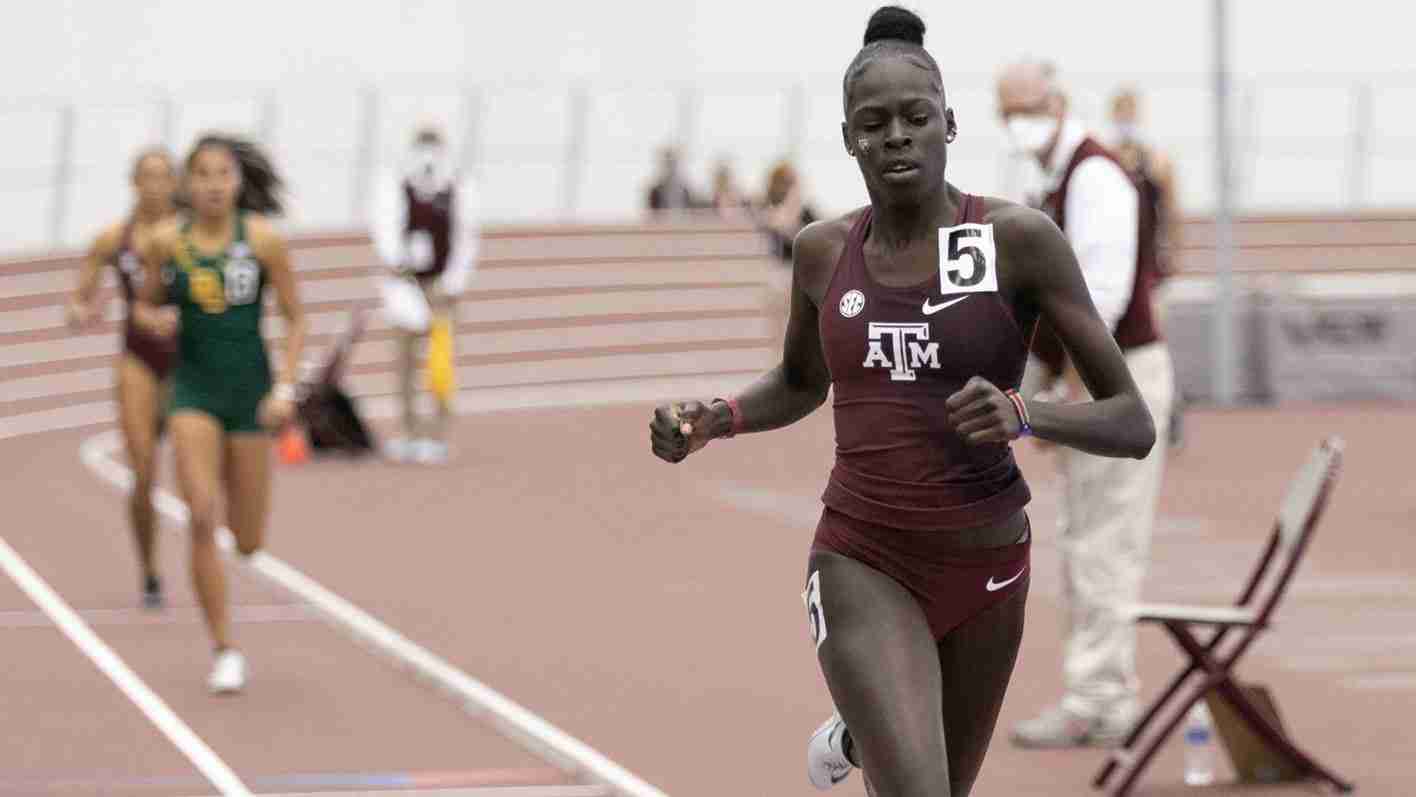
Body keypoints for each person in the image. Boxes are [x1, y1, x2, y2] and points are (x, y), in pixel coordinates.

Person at [648, 8, 1156, 796]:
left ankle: (864, 725)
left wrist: (1027, 414)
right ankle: (876, 707)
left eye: (916, 118)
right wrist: (714, 419)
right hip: (865, 556)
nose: (896, 137)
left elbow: (1132, 420)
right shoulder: (824, 251)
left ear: (949, 124)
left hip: (989, 563)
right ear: (848, 138)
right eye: (873, 123)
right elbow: (800, 381)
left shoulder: (1016, 240)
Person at [996, 61, 1176, 748]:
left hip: (1117, 375)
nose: (1018, 123)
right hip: (1089, 375)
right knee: (1081, 539)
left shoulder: (1095, 174)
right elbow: (1043, 302)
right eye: (1006, 111)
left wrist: (1062, 396)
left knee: (1104, 544)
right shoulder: (1045, 180)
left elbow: (1100, 298)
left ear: (1059, 102)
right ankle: (1094, 691)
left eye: (1028, 108)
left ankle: (1099, 697)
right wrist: (1035, 393)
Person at [133, 133, 306, 693]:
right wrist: (152, 320)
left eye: (222, 174)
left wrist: (285, 387)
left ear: (237, 182)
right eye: (202, 174)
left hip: (250, 398)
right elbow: (147, 302)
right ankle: (224, 648)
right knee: (202, 514)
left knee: (248, 539)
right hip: (192, 394)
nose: (212, 185)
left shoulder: (261, 242)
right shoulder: (165, 242)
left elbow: (296, 319)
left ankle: (241, 550)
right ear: (189, 183)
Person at [66, 148, 179, 609]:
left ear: (176, 183)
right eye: (147, 177)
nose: (155, 185)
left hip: (189, 361)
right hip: (137, 359)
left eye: (163, 177)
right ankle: (150, 570)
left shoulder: (192, 236)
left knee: (202, 476)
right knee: (145, 472)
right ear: (134, 183)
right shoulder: (115, 238)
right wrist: (80, 310)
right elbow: (80, 295)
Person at [370, 125, 479, 464]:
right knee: (404, 362)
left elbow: (466, 238)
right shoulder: (396, 185)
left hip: (440, 286)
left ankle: (436, 434)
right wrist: (397, 269)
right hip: (405, 285)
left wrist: (452, 283)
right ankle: (408, 431)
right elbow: (385, 229)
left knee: (440, 363)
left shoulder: (458, 186)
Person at [1109, 86, 1186, 448]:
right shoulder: (1106, 158)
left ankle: (1170, 416)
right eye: (1120, 110)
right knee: (1119, 345)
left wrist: (1174, 253)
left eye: (1130, 110)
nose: (1125, 116)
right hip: (1120, 270)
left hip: (1151, 272)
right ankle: (1124, 415)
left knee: (1152, 342)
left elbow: (1172, 208)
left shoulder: (1156, 159)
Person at [645, 145, 696, 214]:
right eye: (668, 164)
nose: (672, 168)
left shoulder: (685, 190)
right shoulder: (655, 191)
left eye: (674, 164)